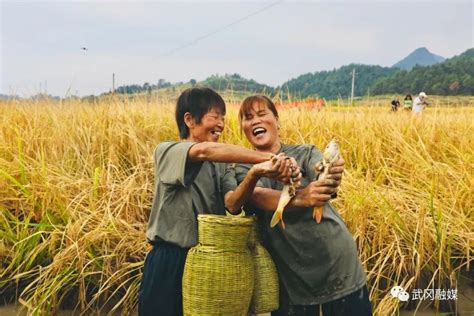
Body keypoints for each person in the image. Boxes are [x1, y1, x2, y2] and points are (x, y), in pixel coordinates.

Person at [138, 88, 296, 316]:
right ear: (189, 119)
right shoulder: (167, 151)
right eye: (214, 116)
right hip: (171, 259)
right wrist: (269, 158)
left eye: (223, 117)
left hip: (209, 262)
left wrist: (254, 174)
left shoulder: (222, 165)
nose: (221, 124)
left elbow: (232, 204)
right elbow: (204, 151)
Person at [223, 95, 372, 316]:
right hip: (291, 279)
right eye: (247, 118)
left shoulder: (306, 153)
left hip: (336, 263)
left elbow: (323, 176)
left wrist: (331, 173)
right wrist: (302, 197)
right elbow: (257, 197)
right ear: (243, 128)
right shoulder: (245, 171)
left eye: (262, 114)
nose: (255, 121)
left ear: (277, 120)